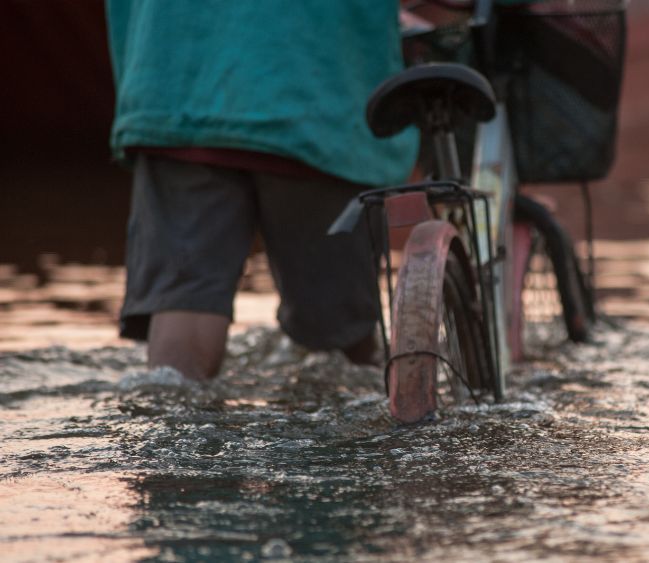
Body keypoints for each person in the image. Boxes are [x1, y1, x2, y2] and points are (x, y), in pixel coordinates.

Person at [106, 1, 418, 380]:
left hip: (173, 85)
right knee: (337, 340)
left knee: (184, 303)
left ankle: (172, 418)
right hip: (318, 99)